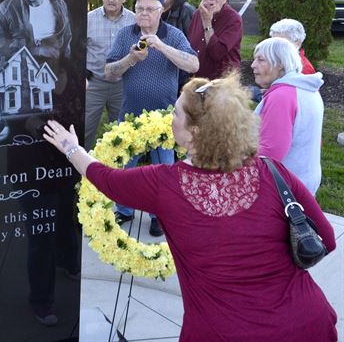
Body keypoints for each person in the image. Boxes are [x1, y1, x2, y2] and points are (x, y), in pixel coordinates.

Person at [42, 72, 337, 342]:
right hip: (307, 323)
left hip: (225, 332)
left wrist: (71, 148)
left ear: (195, 131)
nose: (169, 117)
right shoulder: (274, 173)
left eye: (175, 112)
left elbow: (106, 179)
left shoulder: (165, 184)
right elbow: (325, 236)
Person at [104, 0, 198, 235]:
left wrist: (162, 47)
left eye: (150, 9)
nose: (144, 14)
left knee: (164, 170)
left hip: (164, 119)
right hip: (131, 116)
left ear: (161, 11)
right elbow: (109, 72)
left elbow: (194, 63)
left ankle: (159, 214)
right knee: (126, 167)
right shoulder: (126, 34)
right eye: (139, 9)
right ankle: (124, 209)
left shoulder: (174, 35)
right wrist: (131, 59)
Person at [252, 37, 324, 195]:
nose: (253, 65)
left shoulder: (281, 97)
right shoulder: (307, 88)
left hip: (284, 188)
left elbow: (270, 154)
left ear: (280, 64)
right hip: (303, 182)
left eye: (261, 60)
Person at [84, 0, 136, 151]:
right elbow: (78, 50)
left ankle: (117, 168)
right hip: (94, 84)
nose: (111, 0)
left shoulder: (134, 21)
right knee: (85, 128)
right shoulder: (88, 20)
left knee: (121, 131)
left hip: (123, 84)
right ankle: (81, 167)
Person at [188, 0, 242, 80]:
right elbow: (190, 45)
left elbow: (217, 53)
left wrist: (207, 22)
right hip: (195, 81)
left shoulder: (233, 19)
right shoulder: (197, 14)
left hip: (221, 85)